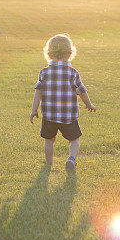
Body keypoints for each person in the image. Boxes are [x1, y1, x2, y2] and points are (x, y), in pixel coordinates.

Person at [30, 34, 95, 172]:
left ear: (49, 53)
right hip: (68, 116)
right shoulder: (72, 73)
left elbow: (38, 92)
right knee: (74, 139)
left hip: (49, 116)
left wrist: (34, 110)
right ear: (70, 53)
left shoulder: (44, 73)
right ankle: (71, 158)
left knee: (49, 140)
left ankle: (48, 164)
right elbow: (82, 91)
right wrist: (89, 104)